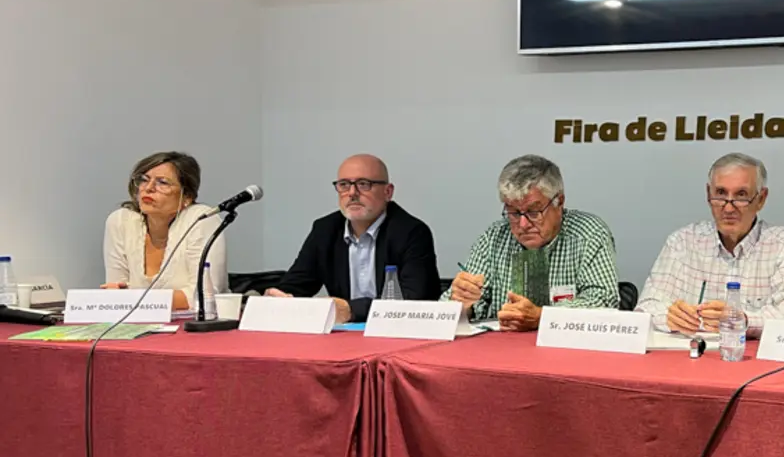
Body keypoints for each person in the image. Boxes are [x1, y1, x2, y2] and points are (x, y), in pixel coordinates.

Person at [636, 152, 784, 336]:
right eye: (720, 194)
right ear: (708, 194)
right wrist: (669, 318)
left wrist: (743, 320)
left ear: (761, 199)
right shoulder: (682, 242)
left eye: (741, 195)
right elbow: (646, 308)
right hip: (689, 356)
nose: (728, 208)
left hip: (753, 359)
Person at [445, 155, 619, 331]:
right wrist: (461, 305)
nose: (523, 224)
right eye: (513, 212)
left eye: (534, 212)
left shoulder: (589, 234)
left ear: (559, 202)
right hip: (501, 349)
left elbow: (603, 301)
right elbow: (449, 309)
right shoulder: (494, 237)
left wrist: (542, 316)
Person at [266, 154, 441, 323]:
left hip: (396, 333)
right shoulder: (325, 230)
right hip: (342, 336)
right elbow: (298, 283)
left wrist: (351, 309)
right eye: (344, 185)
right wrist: (280, 296)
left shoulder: (412, 232)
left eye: (363, 184)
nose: (352, 193)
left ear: (388, 192)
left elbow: (414, 300)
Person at [103, 152, 227, 311]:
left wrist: (131, 298)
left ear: (186, 197)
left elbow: (204, 294)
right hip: (136, 324)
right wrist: (123, 297)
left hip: (196, 326)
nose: (148, 188)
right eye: (144, 180)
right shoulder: (120, 222)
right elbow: (115, 291)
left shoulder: (202, 219)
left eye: (162, 183)